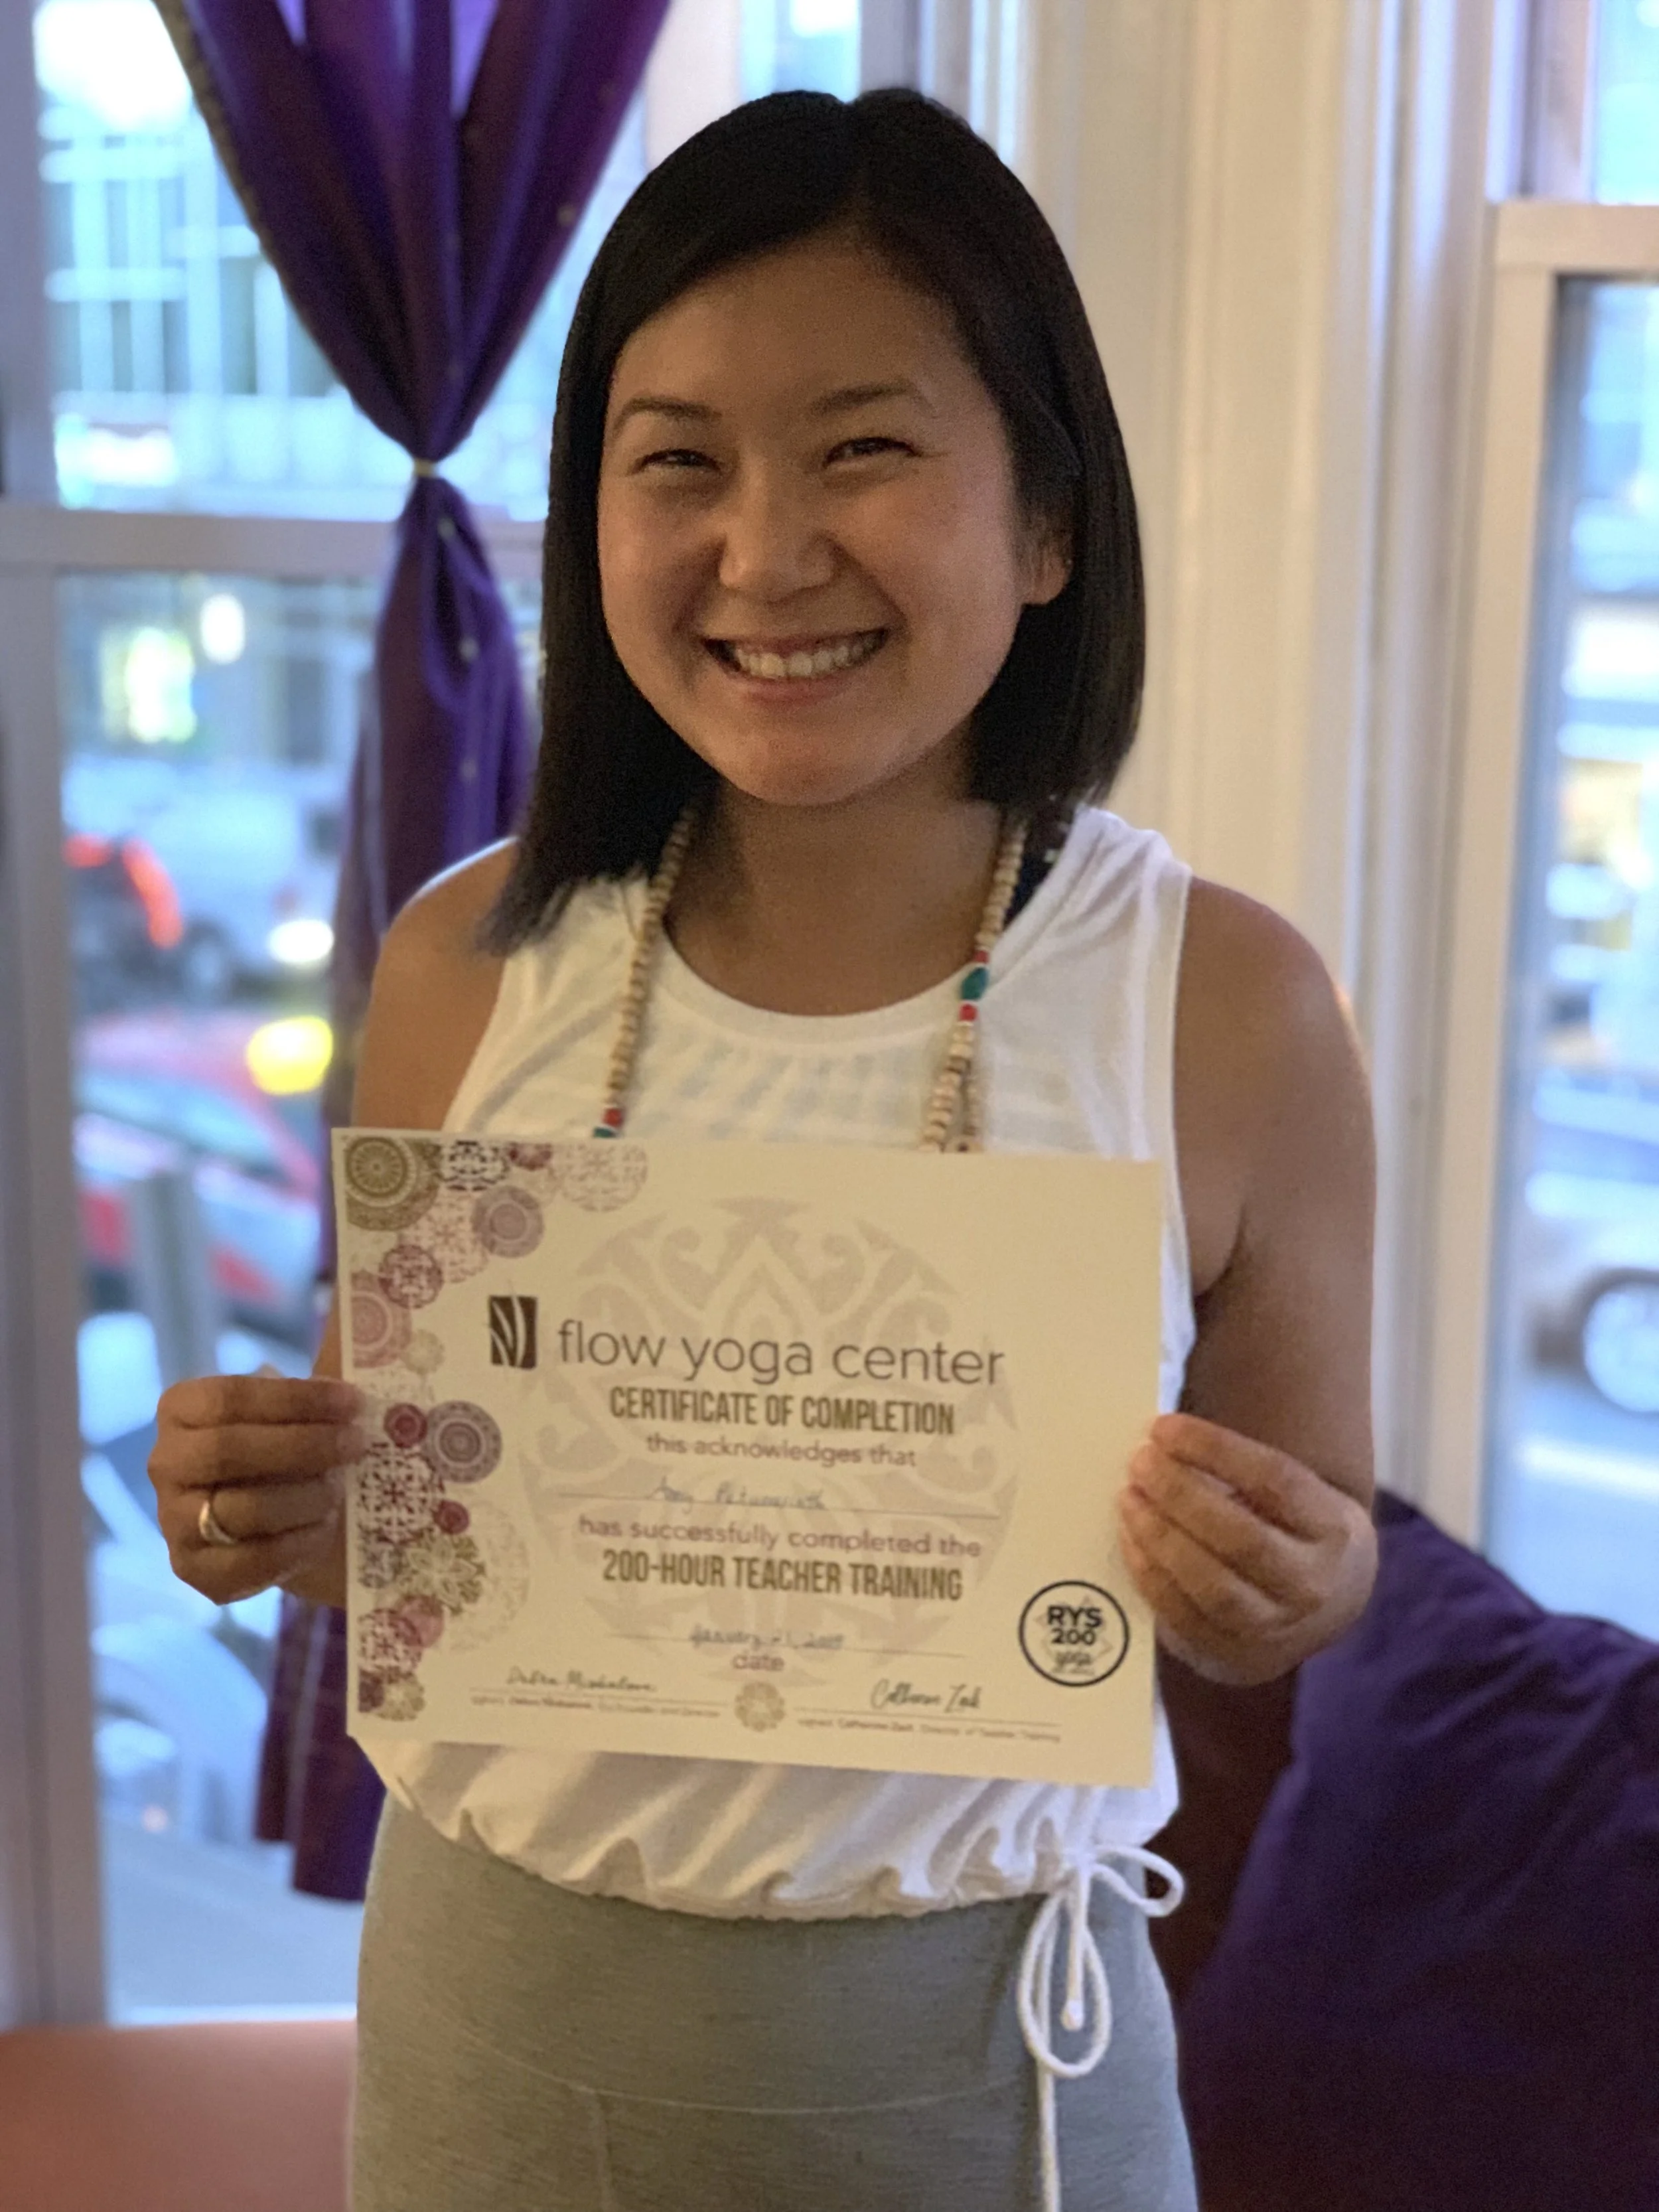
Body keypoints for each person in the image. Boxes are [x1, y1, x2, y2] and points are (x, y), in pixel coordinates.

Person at [149, 88, 1377, 2212]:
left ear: (1050, 519)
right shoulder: (468, 957)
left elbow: (1310, 1562)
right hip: (488, 2040)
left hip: (982, 2071)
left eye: (864, 449)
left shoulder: (1221, 1002)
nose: (762, 549)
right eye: (677, 463)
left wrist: (1288, 1577)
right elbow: (413, 1532)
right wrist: (267, 1504)